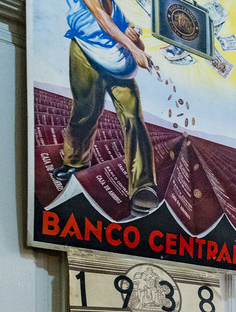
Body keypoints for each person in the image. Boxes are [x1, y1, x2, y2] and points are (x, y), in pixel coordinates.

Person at [54, 0, 160, 217]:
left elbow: (136, 44)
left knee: (133, 119)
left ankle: (143, 186)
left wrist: (136, 42)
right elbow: (100, 16)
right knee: (85, 109)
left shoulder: (120, 9)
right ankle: (75, 161)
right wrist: (132, 47)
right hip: (85, 52)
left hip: (119, 64)